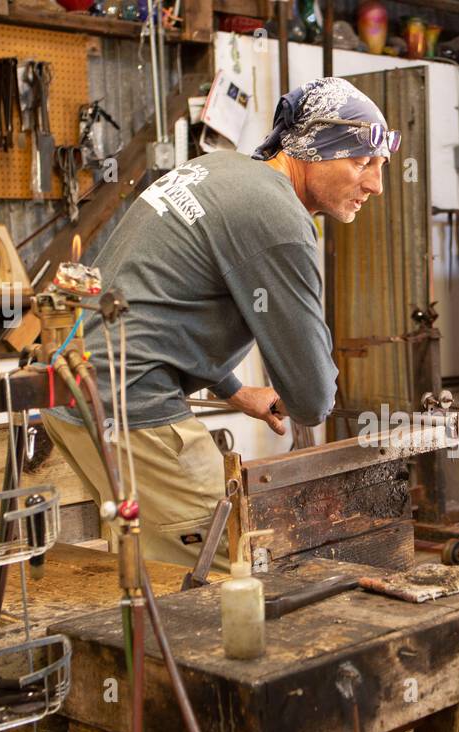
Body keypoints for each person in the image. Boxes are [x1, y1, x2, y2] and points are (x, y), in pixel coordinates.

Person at [43, 77, 398, 567]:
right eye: (362, 163)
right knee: (221, 578)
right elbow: (313, 398)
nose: (376, 185)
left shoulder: (218, 170)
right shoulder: (278, 218)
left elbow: (163, 303)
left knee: (150, 571)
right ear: (315, 150)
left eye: (380, 166)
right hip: (130, 408)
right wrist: (308, 392)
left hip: (71, 389)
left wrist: (234, 389)